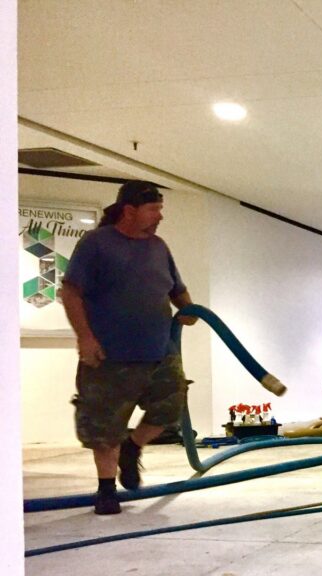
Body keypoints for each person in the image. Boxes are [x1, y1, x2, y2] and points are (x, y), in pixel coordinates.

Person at [61, 180, 196, 515]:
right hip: (109, 355)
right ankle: (106, 489)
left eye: (161, 208)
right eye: (154, 209)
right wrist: (85, 338)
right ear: (129, 210)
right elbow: (71, 292)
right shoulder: (96, 244)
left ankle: (132, 447)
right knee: (103, 424)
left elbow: (176, 290)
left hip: (158, 350)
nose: (160, 215)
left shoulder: (159, 247)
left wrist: (190, 310)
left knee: (170, 406)